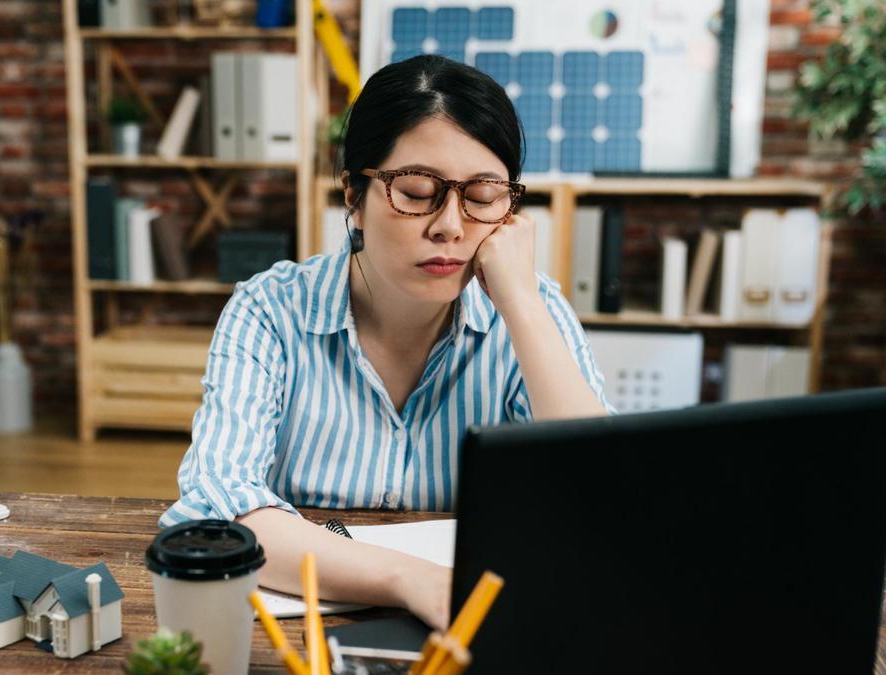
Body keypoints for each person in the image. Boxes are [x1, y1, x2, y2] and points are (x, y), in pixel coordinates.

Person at [160, 55, 611, 629]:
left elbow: (598, 493)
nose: (450, 224)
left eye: (482, 195)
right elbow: (219, 505)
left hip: (484, 631)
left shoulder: (532, 310)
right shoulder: (270, 310)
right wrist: (411, 579)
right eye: (417, 191)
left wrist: (522, 305)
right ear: (353, 194)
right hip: (312, 632)